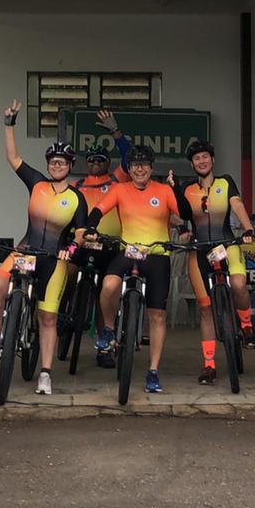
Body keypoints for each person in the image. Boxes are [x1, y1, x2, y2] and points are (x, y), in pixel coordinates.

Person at [0, 100, 88, 395]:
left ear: (70, 166)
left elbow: (81, 232)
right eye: (53, 162)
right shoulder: (37, 183)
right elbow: (13, 157)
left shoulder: (77, 197)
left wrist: (72, 248)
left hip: (54, 259)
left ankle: (45, 373)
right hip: (25, 250)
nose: (57, 166)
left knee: (47, 317)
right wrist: (9, 124)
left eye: (62, 162)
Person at [85, 144, 184, 394]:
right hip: (128, 251)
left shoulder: (163, 190)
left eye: (144, 164)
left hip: (157, 255)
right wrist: (91, 227)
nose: (140, 169)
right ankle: (109, 329)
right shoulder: (119, 189)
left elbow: (182, 212)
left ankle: (153, 371)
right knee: (108, 285)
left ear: (151, 168)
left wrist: (177, 193)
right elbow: (98, 210)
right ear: (128, 169)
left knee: (157, 315)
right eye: (135, 165)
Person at [172, 140, 255, 385]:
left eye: (205, 157)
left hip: (226, 244)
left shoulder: (225, 182)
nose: (202, 161)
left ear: (213, 160)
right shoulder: (187, 188)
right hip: (199, 250)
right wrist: (182, 229)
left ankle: (246, 324)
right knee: (205, 308)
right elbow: (177, 213)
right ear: (192, 164)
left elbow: (237, 204)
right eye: (197, 158)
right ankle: (209, 364)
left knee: (239, 284)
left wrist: (248, 228)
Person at [70, 109, 131, 365]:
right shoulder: (77, 185)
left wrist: (115, 131)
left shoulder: (117, 181)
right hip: (82, 243)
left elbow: (129, 157)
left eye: (100, 160)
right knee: (65, 271)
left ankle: (105, 347)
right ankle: (64, 313)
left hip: (110, 246)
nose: (95, 163)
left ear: (107, 163)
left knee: (104, 295)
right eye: (91, 160)